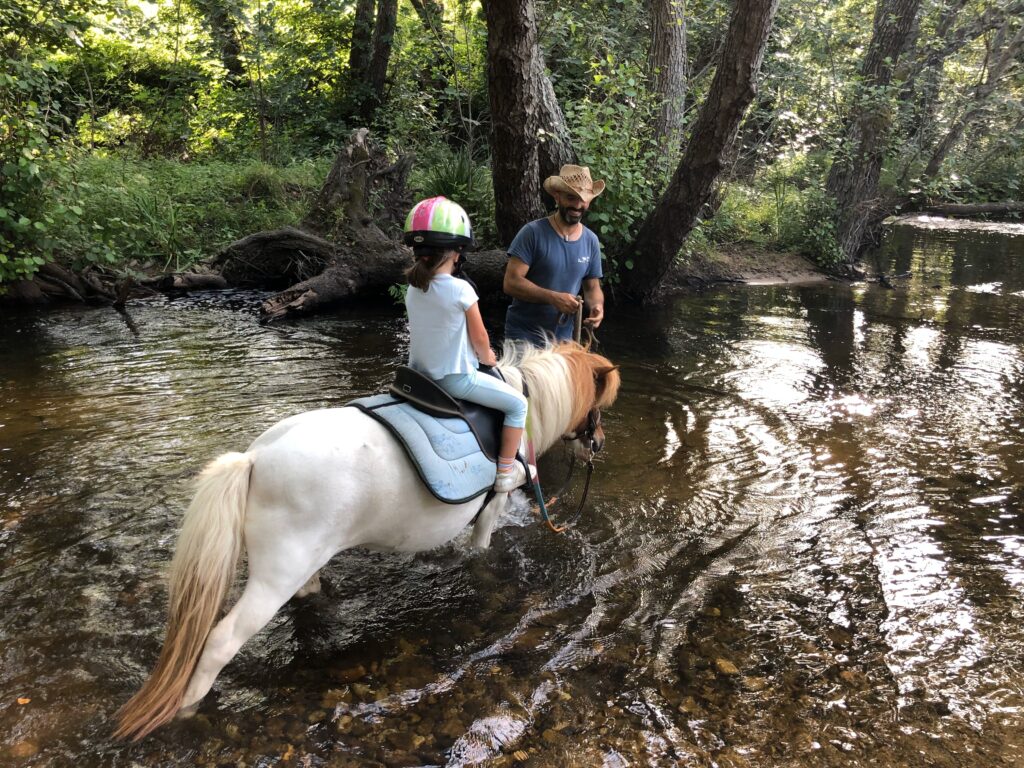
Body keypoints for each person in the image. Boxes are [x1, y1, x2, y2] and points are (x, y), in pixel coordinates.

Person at [403, 196, 528, 493]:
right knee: (518, 405)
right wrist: (489, 359)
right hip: (454, 380)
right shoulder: (461, 290)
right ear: (456, 253)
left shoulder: (413, 287)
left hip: (418, 378)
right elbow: (480, 338)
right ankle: (505, 474)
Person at [503, 164, 607, 347]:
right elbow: (511, 283)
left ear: (589, 202)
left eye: (583, 200)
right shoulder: (532, 233)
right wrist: (552, 297)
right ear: (557, 196)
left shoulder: (591, 240)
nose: (577, 205)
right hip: (524, 337)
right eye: (571, 197)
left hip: (565, 342)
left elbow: (592, 288)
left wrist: (597, 307)